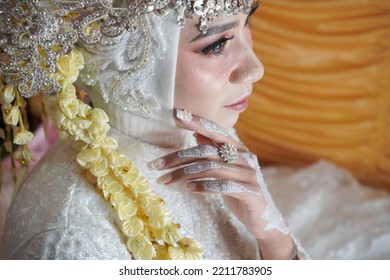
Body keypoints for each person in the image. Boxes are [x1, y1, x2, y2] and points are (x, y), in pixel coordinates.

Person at [1, 0, 307, 259]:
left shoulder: (197, 128)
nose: (256, 68)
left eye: (247, 24)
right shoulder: (70, 237)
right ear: (129, 58)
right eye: (217, 44)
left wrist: (272, 236)